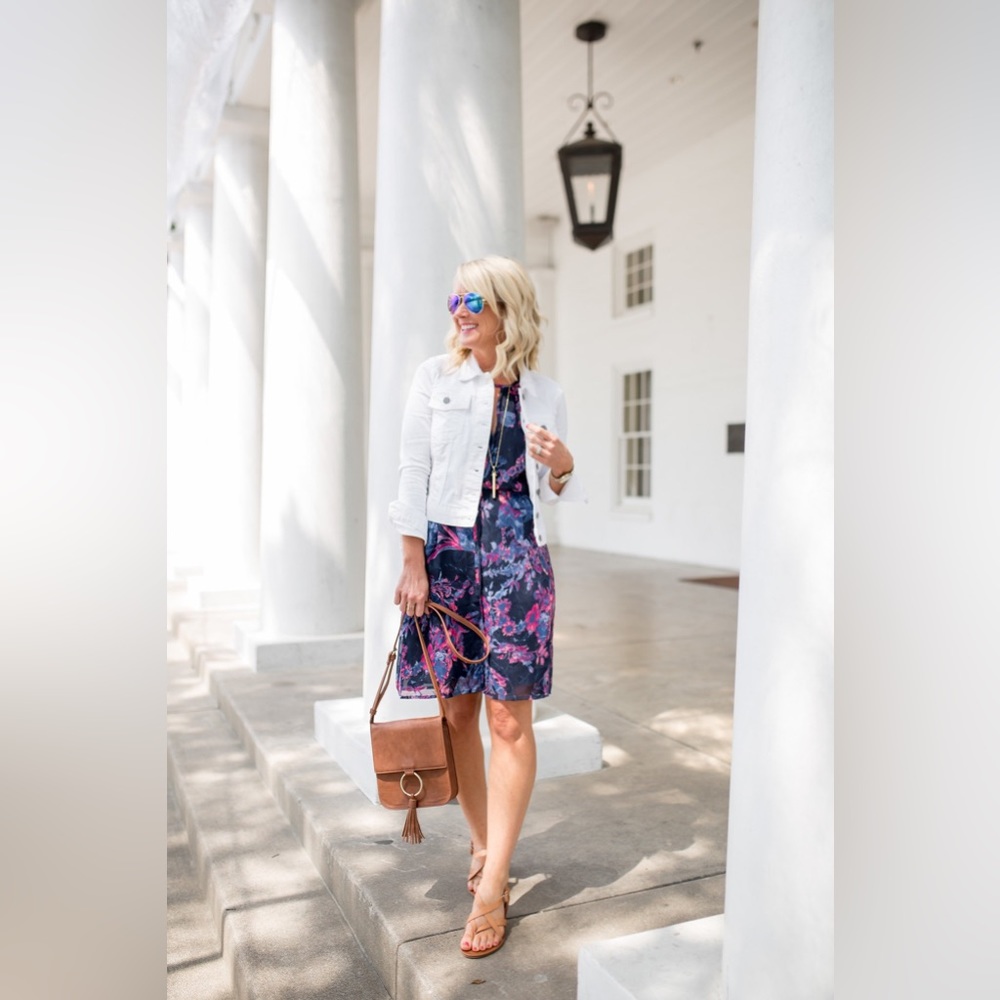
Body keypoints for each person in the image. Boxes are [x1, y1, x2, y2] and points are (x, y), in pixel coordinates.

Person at [389, 255, 585, 958]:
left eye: (472, 300)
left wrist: (563, 464)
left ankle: (493, 881)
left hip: (517, 560)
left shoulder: (545, 393)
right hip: (447, 557)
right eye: (454, 301)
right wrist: (412, 562)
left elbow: (560, 487)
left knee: (509, 719)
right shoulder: (435, 379)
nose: (459, 312)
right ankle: (481, 843)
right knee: (457, 714)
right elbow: (413, 470)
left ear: (506, 307)